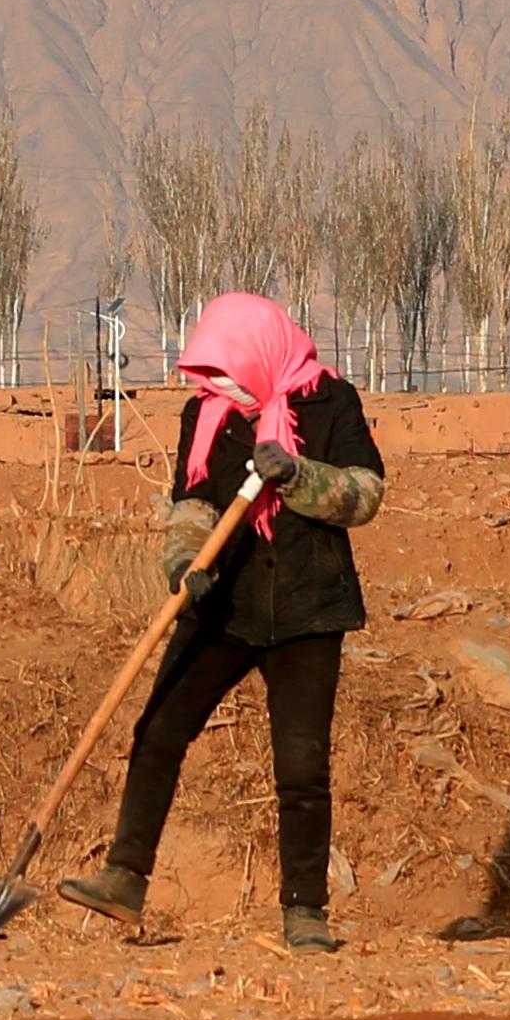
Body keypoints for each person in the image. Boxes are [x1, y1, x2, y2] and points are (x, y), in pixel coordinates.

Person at [58, 290, 388, 950]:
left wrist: (297, 475)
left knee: (300, 766)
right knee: (157, 731)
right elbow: (190, 503)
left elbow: (365, 495)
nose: (223, 390)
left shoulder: (332, 403)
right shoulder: (204, 416)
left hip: (306, 608)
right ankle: (126, 877)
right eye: (212, 378)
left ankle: (305, 913)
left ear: (261, 355)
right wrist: (184, 565)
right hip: (222, 606)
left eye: (231, 375)